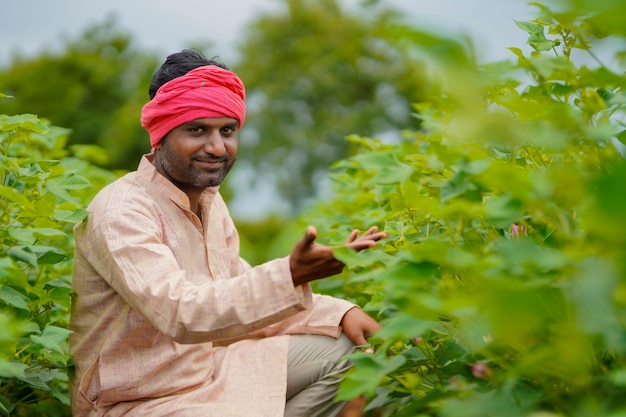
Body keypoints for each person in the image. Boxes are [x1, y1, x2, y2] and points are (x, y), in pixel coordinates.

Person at [69, 49, 386, 417]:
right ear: (160, 133)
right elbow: (180, 312)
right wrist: (290, 275)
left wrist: (339, 313)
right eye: (197, 130)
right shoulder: (124, 210)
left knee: (353, 353)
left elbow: (236, 289)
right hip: (138, 401)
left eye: (227, 131)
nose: (217, 147)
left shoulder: (209, 203)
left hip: (208, 375)